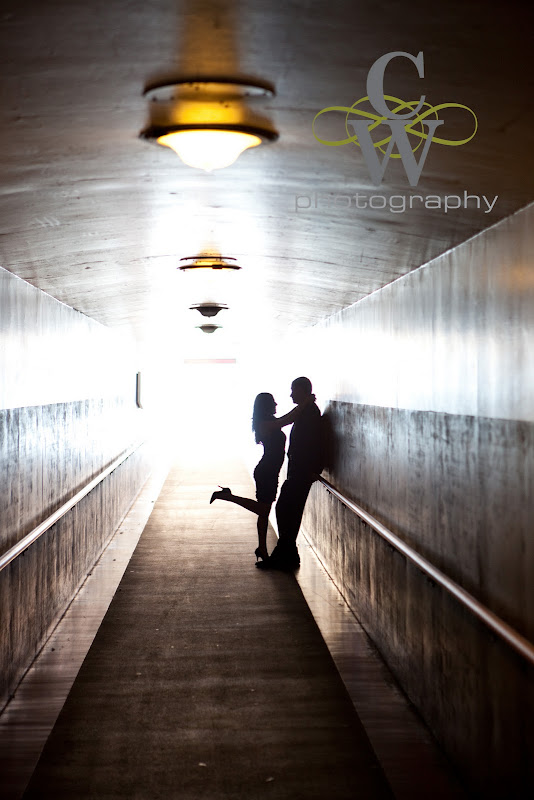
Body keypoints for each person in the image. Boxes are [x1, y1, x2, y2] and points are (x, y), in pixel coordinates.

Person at [210, 392, 313, 564]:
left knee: (263, 513)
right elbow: (287, 420)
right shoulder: (265, 424)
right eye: (273, 402)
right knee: (264, 510)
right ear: (266, 405)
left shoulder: (267, 422)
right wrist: (304, 403)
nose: (276, 404)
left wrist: (302, 406)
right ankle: (227, 496)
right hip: (266, 472)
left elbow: (286, 419)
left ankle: (262, 549)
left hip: (270, 472)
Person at [260, 377, 323, 571]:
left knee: (287, 509)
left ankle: (286, 552)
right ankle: (287, 552)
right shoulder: (305, 410)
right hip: (295, 469)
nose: (290, 395)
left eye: (293, 390)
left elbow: (313, 442)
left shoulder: (310, 412)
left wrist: (314, 468)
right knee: (286, 509)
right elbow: (288, 419)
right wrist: (305, 402)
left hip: (301, 470)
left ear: (302, 390)